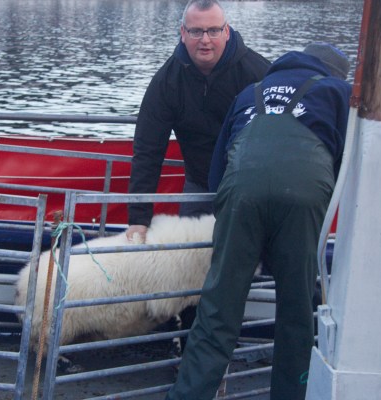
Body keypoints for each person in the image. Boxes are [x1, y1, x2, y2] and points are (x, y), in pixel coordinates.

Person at [165, 43, 352, 400]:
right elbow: (346, 168)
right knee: (297, 311)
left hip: (240, 194)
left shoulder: (249, 93)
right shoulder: (339, 92)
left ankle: (187, 395)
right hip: (304, 196)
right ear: (335, 72)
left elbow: (217, 172)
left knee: (218, 308)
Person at [126, 0, 270, 242]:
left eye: (213, 30)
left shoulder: (258, 74)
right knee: (185, 257)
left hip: (250, 186)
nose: (205, 40)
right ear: (183, 33)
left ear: (226, 31)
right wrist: (138, 220)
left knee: (246, 261)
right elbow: (147, 151)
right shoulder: (166, 82)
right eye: (196, 31)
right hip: (199, 183)